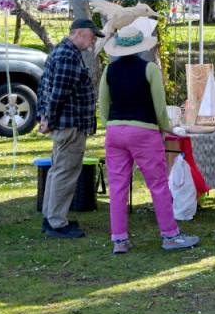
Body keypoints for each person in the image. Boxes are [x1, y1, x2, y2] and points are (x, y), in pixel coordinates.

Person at [99, 24, 199, 253]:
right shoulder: (149, 68)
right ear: (141, 47)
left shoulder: (109, 70)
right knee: (158, 185)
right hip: (144, 131)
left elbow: (103, 105)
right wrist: (167, 127)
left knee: (118, 187)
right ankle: (170, 235)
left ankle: (119, 240)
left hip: (115, 131)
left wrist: (110, 124)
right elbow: (160, 106)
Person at [36, 18, 103, 239]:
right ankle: (57, 223)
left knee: (57, 171)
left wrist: (45, 117)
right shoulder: (68, 55)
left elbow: (45, 88)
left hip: (65, 124)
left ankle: (50, 216)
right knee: (65, 173)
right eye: (92, 37)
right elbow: (58, 93)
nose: (93, 42)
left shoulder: (62, 51)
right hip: (70, 125)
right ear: (80, 33)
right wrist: (49, 119)